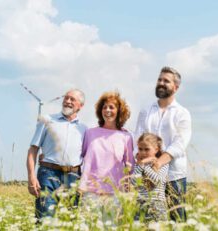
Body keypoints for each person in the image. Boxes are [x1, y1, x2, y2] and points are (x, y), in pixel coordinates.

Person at [134, 66, 191, 221]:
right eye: (159, 79)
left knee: (177, 221)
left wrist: (157, 163)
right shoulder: (146, 111)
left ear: (176, 87)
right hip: (146, 175)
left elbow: (180, 144)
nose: (161, 83)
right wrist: (142, 164)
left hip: (174, 176)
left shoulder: (182, 113)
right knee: (147, 220)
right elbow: (137, 138)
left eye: (166, 81)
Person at [26, 89, 87, 219]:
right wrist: (31, 176)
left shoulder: (84, 129)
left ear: (80, 106)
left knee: (69, 221)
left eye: (72, 99)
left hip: (73, 177)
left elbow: (87, 157)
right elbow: (33, 150)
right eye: (66, 98)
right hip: (48, 174)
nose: (68, 101)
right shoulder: (46, 120)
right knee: (44, 219)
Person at [79, 91, 135, 220]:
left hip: (115, 192)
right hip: (91, 190)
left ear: (119, 111)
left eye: (111, 107)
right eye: (104, 107)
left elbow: (130, 166)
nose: (107, 110)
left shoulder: (126, 137)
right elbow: (80, 156)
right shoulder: (90, 133)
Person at [132, 133, 169, 222]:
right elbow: (133, 182)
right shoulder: (138, 165)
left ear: (156, 149)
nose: (143, 152)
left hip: (157, 205)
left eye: (147, 149)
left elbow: (157, 181)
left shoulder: (161, 164)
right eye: (140, 149)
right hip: (139, 204)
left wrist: (144, 165)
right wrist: (141, 164)